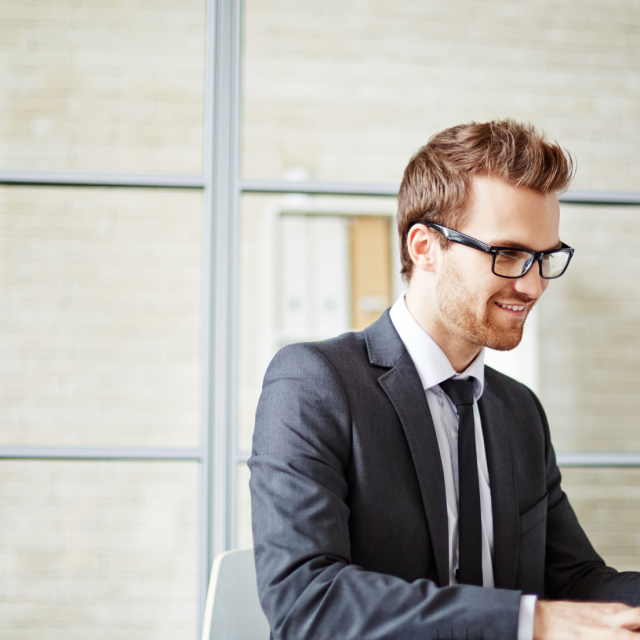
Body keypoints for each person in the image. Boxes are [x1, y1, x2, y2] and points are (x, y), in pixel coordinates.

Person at [248, 120, 640, 639]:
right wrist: (529, 621)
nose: (532, 285)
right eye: (508, 254)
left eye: (545, 258)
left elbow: (574, 579)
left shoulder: (519, 410)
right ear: (424, 247)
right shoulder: (314, 384)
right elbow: (307, 602)